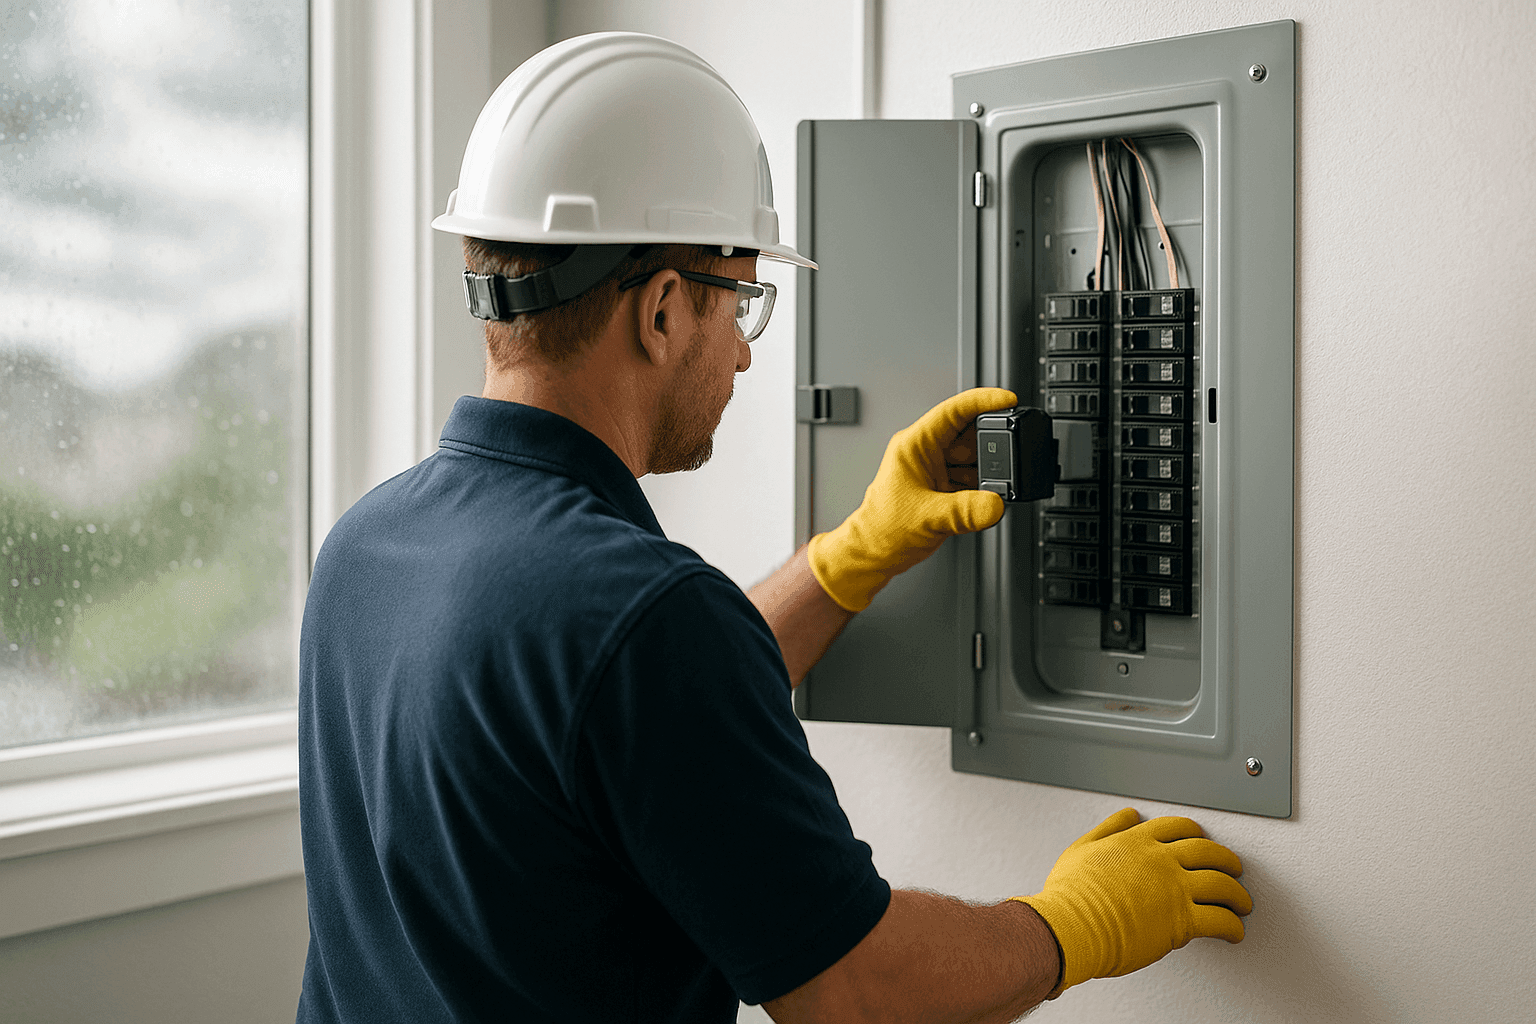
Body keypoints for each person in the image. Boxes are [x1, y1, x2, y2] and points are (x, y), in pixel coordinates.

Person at [296, 31, 1251, 1024]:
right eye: (742, 299)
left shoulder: (365, 547)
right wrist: (1070, 925)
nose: (748, 358)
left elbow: (612, 723)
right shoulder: (638, 618)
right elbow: (854, 986)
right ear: (663, 310)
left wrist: (853, 554)